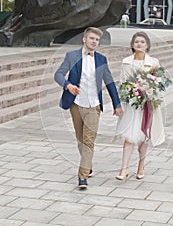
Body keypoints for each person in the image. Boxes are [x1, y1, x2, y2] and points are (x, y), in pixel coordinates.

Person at [54, 27, 123, 189]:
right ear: (84, 39)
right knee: (80, 139)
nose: (94, 42)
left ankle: (82, 176)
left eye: (97, 40)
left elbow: (110, 82)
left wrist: (117, 104)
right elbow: (58, 74)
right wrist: (67, 85)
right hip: (76, 104)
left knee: (88, 141)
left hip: (94, 105)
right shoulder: (72, 56)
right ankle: (88, 164)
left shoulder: (101, 59)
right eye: (91, 38)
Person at [115, 31, 165, 180]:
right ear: (132, 45)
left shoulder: (154, 62)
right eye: (136, 42)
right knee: (129, 137)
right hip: (132, 105)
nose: (139, 44)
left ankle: (141, 165)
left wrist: (148, 90)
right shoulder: (126, 62)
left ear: (147, 45)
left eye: (142, 42)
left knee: (144, 137)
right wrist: (126, 98)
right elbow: (122, 83)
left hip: (147, 105)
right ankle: (124, 169)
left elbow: (158, 83)